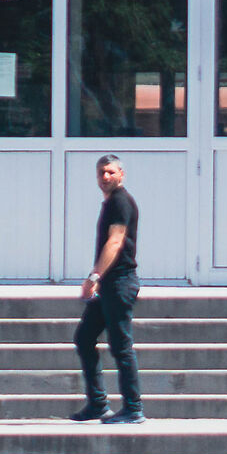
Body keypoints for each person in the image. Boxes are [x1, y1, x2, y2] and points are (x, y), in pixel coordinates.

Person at [70, 154, 141, 424]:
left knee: (121, 346)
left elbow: (115, 242)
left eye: (110, 172)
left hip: (120, 282)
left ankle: (134, 408)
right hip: (110, 284)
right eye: (101, 172)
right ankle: (98, 404)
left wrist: (94, 275)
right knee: (84, 337)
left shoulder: (121, 202)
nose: (105, 177)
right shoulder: (111, 203)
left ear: (121, 174)